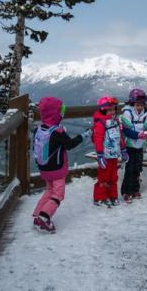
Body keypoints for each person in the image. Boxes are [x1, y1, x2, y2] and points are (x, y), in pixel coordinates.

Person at [32, 96, 88, 233]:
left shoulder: (39, 129)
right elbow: (70, 145)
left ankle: (37, 214)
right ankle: (44, 217)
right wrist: (84, 135)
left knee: (49, 190)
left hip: (43, 168)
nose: (62, 113)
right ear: (55, 114)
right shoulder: (58, 132)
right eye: (61, 110)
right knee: (58, 194)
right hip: (57, 170)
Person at [92, 95, 127, 208]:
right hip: (105, 156)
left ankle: (112, 196)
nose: (112, 112)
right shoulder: (100, 123)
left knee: (113, 176)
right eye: (109, 110)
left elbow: (120, 137)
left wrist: (123, 149)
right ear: (103, 110)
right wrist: (100, 155)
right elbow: (98, 139)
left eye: (113, 109)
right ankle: (100, 198)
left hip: (115, 154)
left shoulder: (116, 121)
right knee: (103, 177)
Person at [120, 88, 147, 203]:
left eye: (142, 105)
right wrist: (138, 134)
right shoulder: (127, 113)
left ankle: (135, 190)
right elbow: (126, 131)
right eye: (137, 105)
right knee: (129, 169)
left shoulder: (145, 112)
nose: (140, 107)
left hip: (139, 145)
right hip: (129, 145)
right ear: (132, 103)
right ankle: (126, 192)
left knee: (137, 168)